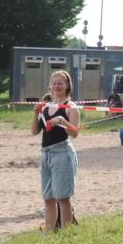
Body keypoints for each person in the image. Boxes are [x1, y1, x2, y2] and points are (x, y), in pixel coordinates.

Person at [30, 71, 81, 233]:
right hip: (46, 154)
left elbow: (75, 133)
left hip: (63, 154)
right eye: (54, 83)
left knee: (63, 198)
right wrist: (35, 114)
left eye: (61, 83)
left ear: (67, 86)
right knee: (48, 199)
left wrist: (62, 121)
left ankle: (66, 234)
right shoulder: (46, 106)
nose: (57, 86)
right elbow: (34, 131)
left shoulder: (71, 107)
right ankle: (48, 234)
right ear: (49, 86)